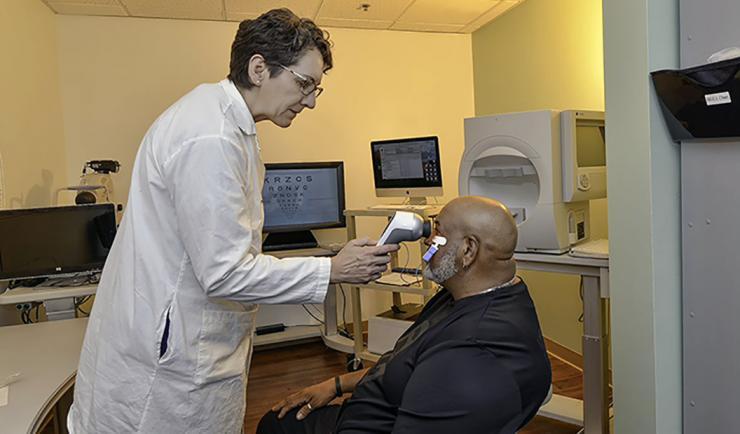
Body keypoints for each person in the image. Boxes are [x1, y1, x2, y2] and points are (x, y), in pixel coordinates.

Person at [68, 8, 398, 434]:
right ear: (259, 68)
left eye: (318, 89)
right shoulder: (211, 137)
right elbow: (224, 273)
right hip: (167, 368)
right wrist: (334, 269)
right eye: (304, 84)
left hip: (185, 338)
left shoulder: (225, 122)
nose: (312, 101)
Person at [258, 196, 552, 434]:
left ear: (468, 250)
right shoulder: (464, 294)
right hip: (366, 407)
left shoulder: (471, 354)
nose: (426, 240)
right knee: (277, 421)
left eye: (438, 232)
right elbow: (404, 366)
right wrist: (335, 385)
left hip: (369, 422)